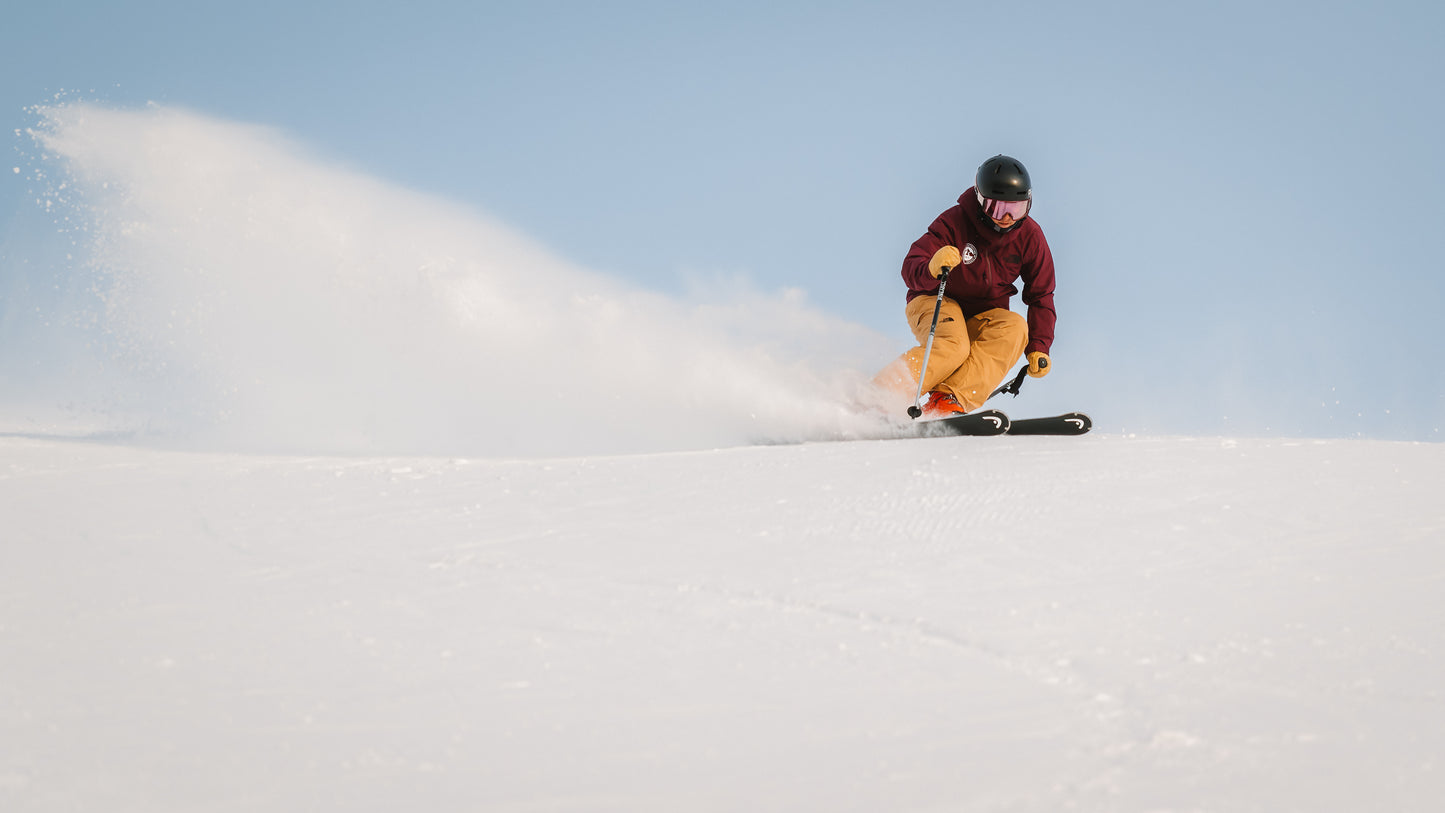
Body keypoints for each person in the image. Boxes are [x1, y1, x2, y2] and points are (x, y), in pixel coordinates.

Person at [873, 154, 1057, 417]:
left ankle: (947, 399)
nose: (1006, 218)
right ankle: (878, 396)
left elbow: (1041, 294)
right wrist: (932, 267)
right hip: (934, 298)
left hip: (982, 314)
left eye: (1016, 209)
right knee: (953, 345)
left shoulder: (1030, 236)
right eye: (998, 208)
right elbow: (910, 266)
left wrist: (1040, 345)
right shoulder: (955, 222)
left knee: (1016, 328)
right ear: (981, 201)